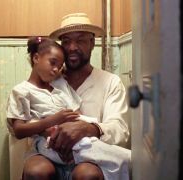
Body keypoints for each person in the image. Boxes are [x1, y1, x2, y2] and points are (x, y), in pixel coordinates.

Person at [20, 13, 130, 180]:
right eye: (66, 41)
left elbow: (120, 129)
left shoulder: (110, 82)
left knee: (86, 175)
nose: (72, 47)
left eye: (80, 40)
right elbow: (21, 117)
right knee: (36, 172)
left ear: (92, 43)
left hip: (90, 158)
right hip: (48, 152)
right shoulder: (46, 80)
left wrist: (91, 128)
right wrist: (46, 129)